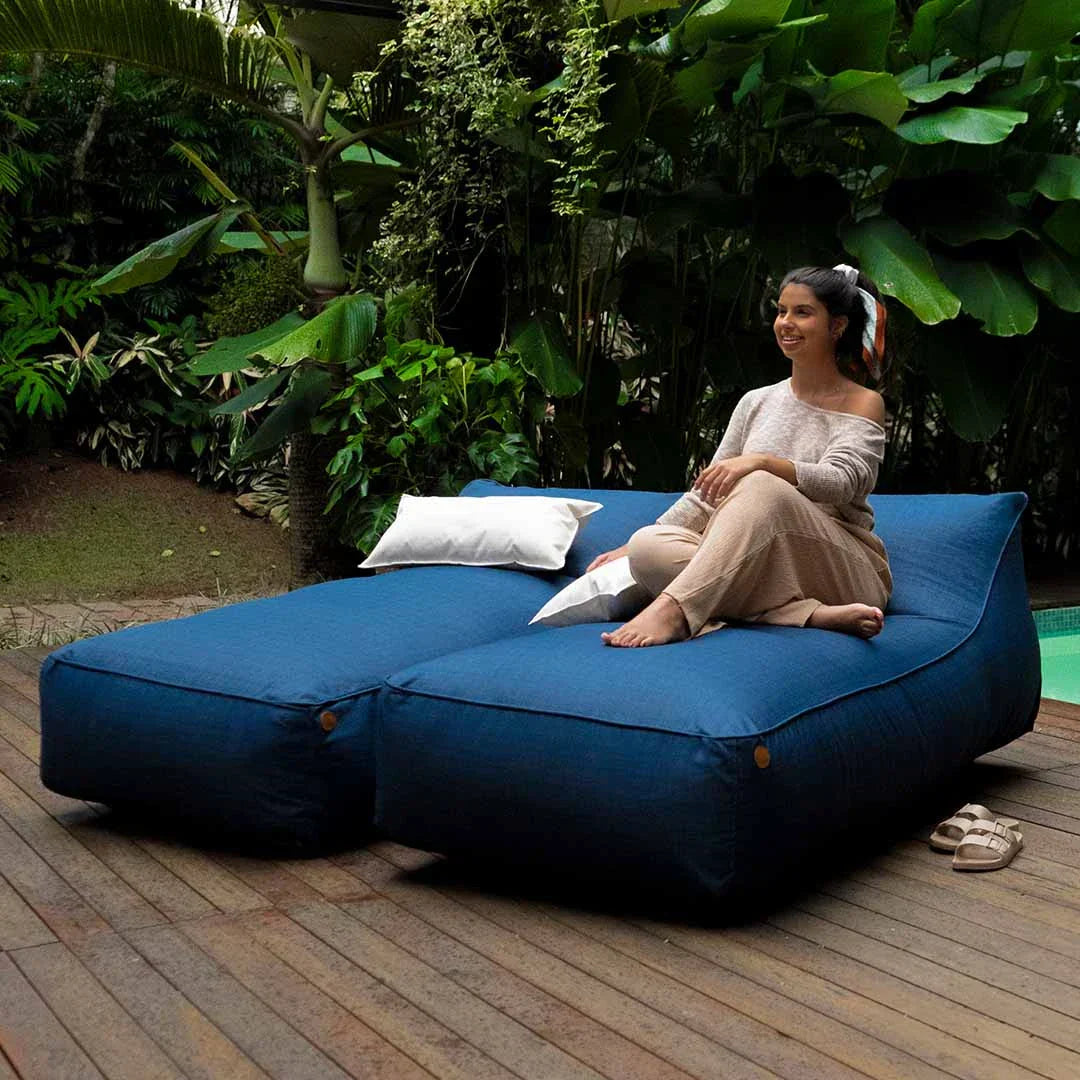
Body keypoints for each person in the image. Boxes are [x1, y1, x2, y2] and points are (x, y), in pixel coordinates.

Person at [593, 263, 893, 648]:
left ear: (836, 326)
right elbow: (708, 494)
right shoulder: (756, 402)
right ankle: (804, 614)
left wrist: (764, 463)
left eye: (802, 312)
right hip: (765, 565)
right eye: (781, 311)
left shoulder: (863, 402)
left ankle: (674, 610)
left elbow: (843, 483)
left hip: (841, 568)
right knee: (648, 548)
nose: (786, 323)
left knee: (760, 485)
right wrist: (625, 550)